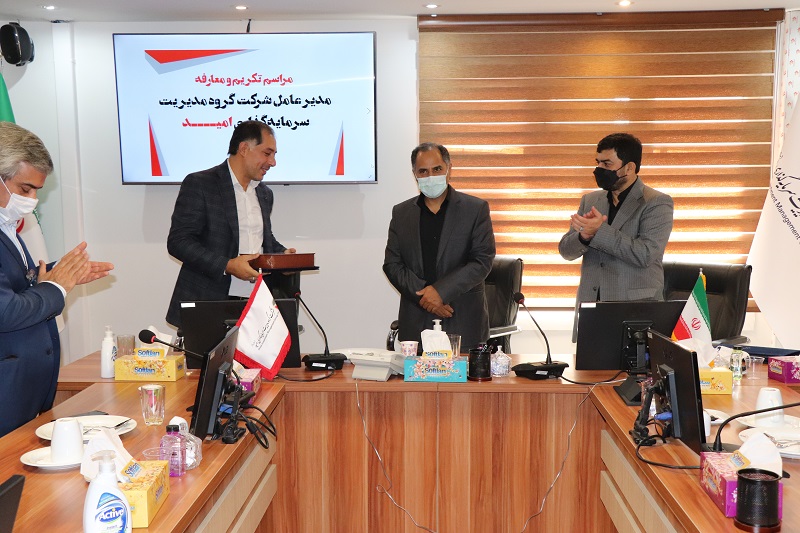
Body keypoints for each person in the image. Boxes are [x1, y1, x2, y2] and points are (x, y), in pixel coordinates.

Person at [0, 122, 114, 437]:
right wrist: (56, 286)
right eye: (25, 189)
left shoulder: (6, 222)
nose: (33, 200)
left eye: (37, 190)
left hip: (24, 394)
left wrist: (63, 272)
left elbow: (15, 283)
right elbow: (6, 311)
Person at [166, 121, 295, 327]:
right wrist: (228, 266)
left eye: (274, 155)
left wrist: (283, 256)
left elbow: (262, 240)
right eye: (267, 153)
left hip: (255, 304)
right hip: (208, 301)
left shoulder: (264, 193)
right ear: (244, 148)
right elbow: (179, 242)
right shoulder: (201, 184)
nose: (272, 162)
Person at [558, 132, 674, 341]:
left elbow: (645, 254)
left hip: (635, 310)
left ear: (629, 167)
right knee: (588, 363)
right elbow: (566, 251)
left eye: (607, 164)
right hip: (592, 307)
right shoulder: (590, 200)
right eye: (598, 163)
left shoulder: (656, 202)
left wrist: (599, 231)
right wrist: (584, 237)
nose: (599, 169)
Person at [383, 142, 496, 352]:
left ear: (449, 169)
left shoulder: (475, 209)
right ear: (415, 174)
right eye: (423, 171)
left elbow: (482, 261)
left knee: (463, 375)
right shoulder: (401, 213)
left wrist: (441, 292)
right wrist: (427, 298)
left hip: (463, 322)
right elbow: (393, 265)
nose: (430, 176)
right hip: (416, 325)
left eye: (437, 169)